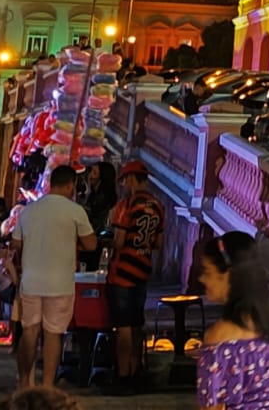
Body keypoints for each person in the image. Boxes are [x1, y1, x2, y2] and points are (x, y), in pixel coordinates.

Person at [13, 165, 98, 390]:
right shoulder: (75, 211)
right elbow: (91, 244)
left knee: (29, 330)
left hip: (31, 280)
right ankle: (48, 386)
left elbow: (16, 244)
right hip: (60, 282)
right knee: (53, 334)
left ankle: (24, 382)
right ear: (71, 185)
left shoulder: (28, 210)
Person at [195, 230, 269, 410]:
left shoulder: (220, 338)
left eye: (207, 272)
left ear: (228, 275)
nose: (202, 279)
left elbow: (211, 406)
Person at [107, 158, 166, 394]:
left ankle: (122, 377)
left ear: (131, 180)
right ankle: (134, 371)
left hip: (122, 273)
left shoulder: (126, 205)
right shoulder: (158, 206)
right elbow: (159, 243)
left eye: (124, 181)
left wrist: (108, 240)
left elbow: (119, 241)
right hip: (142, 271)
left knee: (123, 327)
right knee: (136, 325)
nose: (123, 186)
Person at [80, 162, 118, 268]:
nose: (90, 175)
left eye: (95, 173)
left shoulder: (102, 200)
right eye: (91, 171)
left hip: (95, 243)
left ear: (103, 178)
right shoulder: (95, 195)